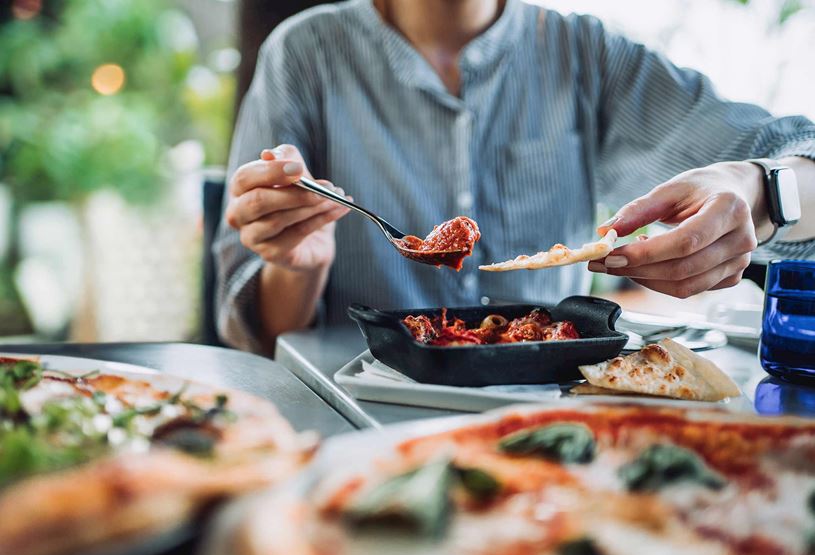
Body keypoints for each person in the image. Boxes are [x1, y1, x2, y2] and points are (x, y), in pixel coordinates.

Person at [215, 0, 815, 353]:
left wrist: (759, 188)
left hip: (544, 419)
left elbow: (796, 159)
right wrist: (298, 263)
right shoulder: (305, 53)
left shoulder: (586, 54)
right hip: (350, 413)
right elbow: (258, 339)